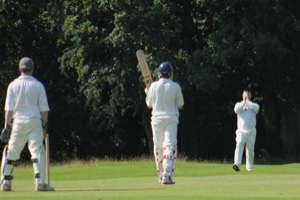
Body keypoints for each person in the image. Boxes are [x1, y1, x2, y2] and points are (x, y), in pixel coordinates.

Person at [0, 57, 54, 192]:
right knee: (37, 151)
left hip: (18, 122)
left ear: (20, 69)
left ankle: (5, 182)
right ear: (32, 68)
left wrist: (7, 126)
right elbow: (44, 109)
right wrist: (44, 125)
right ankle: (40, 183)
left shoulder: (13, 85)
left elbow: (9, 109)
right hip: (34, 121)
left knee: (12, 151)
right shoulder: (38, 86)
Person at [145, 62, 184, 184]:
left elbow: (149, 105)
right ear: (171, 74)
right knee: (169, 145)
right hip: (171, 118)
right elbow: (180, 105)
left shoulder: (153, 87)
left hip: (156, 120)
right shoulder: (175, 86)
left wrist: (148, 92)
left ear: (158, 74)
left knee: (159, 147)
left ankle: (161, 174)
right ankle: (167, 174)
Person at [232, 88, 259, 172]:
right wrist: (244, 102)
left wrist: (248, 102)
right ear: (242, 95)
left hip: (251, 131)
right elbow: (236, 110)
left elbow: (256, 108)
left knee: (250, 150)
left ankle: (249, 167)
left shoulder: (254, 105)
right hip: (241, 131)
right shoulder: (238, 105)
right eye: (245, 95)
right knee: (239, 144)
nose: (246, 96)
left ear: (250, 96)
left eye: (248, 95)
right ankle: (237, 164)